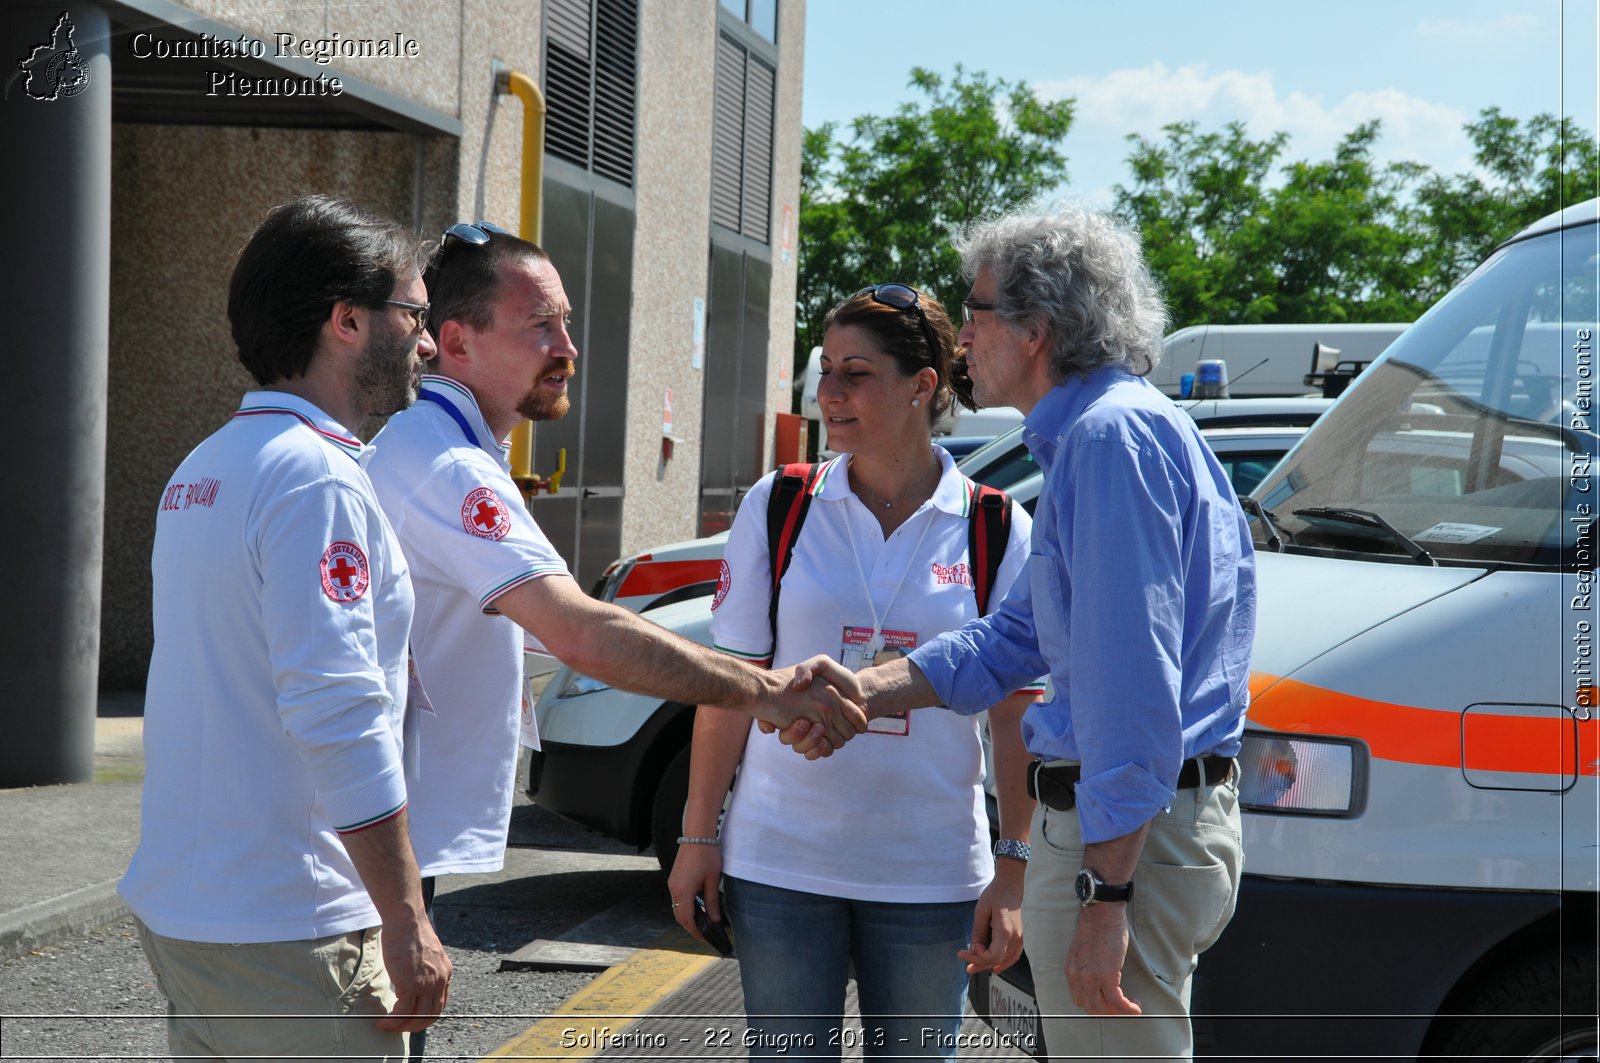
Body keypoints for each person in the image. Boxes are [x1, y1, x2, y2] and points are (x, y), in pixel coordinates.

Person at [363, 225, 870, 1054]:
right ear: (454, 339)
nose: (567, 346)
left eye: (565, 322)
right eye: (539, 326)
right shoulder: (450, 467)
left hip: (384, 828)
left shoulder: (441, 446)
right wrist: (767, 690)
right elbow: (580, 633)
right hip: (375, 842)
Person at [785, 205, 1255, 1061]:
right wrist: (866, 685)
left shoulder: (1109, 440)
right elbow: (1013, 640)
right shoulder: (1109, 431)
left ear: (1035, 329)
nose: (961, 333)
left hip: (1124, 844)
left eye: (976, 310)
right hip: (1136, 832)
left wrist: (1106, 898)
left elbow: (1134, 691)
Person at [667, 284, 1041, 1061]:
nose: (828, 393)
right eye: (826, 370)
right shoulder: (781, 503)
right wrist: (698, 834)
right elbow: (730, 687)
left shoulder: (995, 526)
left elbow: (1016, 716)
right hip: (780, 864)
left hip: (931, 872)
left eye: (857, 373)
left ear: (922, 385)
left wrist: (1013, 869)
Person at [119, 194, 450, 1060]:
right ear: (347, 320)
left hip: (194, 916)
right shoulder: (320, 481)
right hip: (288, 923)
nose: (428, 340)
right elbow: (337, 713)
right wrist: (407, 914)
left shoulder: (206, 465)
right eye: (416, 313)